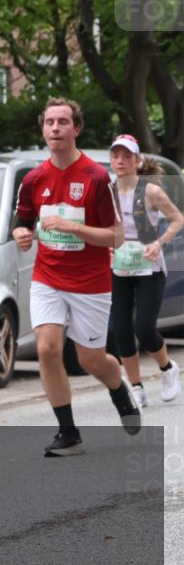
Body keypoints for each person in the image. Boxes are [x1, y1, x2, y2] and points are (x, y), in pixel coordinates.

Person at [12, 99, 142, 459]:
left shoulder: (96, 178)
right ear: (43, 129)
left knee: (91, 360)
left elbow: (115, 236)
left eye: (63, 122)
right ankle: (68, 433)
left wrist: (72, 227)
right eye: (50, 122)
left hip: (90, 281)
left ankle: (119, 390)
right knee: (47, 349)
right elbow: (23, 224)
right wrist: (21, 236)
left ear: (76, 129)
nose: (55, 128)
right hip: (48, 276)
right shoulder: (33, 179)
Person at [109, 134, 182, 405]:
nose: (120, 161)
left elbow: (177, 219)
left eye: (127, 156)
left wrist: (159, 243)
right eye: (116, 156)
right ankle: (136, 387)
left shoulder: (151, 191)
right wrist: (106, 245)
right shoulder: (109, 191)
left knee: (144, 328)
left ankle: (167, 369)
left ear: (137, 161)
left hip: (149, 268)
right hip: (119, 266)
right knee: (121, 329)